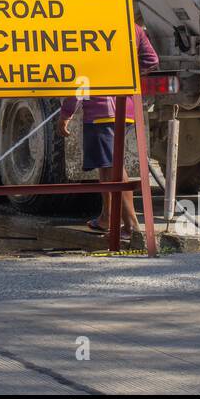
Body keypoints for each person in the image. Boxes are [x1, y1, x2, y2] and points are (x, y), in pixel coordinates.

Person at [59, 23, 158, 240]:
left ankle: (131, 226)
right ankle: (107, 218)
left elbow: (82, 76)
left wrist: (67, 111)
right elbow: (151, 60)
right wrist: (124, 76)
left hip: (102, 111)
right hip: (127, 108)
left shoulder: (89, 32)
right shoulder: (135, 29)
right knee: (107, 166)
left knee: (112, 166)